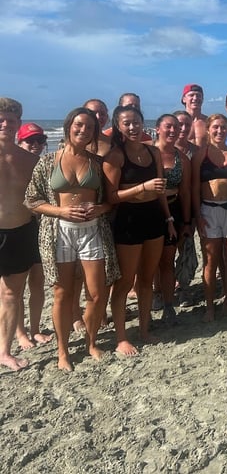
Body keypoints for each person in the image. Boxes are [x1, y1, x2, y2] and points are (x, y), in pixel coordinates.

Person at [25, 107, 120, 371]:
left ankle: (91, 343)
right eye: (79, 125)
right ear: (68, 126)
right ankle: (62, 351)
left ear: (94, 132)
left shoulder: (96, 163)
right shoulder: (47, 161)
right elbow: (32, 200)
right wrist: (61, 210)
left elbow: (109, 202)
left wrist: (101, 208)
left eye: (89, 127)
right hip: (60, 232)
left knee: (98, 293)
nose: (83, 130)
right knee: (62, 294)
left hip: (92, 231)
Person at [103, 105, 175, 356]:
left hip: (154, 217)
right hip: (128, 220)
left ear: (143, 122)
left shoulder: (153, 152)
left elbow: (160, 191)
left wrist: (168, 218)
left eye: (136, 122)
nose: (132, 127)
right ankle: (121, 338)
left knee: (147, 279)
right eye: (126, 123)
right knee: (124, 282)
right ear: (119, 126)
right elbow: (112, 197)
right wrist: (140, 187)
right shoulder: (115, 156)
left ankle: (144, 330)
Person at [0, 98, 40, 371]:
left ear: (18, 123)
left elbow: (40, 199)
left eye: (10, 120)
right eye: (0, 119)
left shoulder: (30, 159)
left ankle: (4, 351)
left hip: (19, 232)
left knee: (12, 294)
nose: (5, 124)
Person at [191, 114, 227, 322]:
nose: (220, 131)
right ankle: (210, 306)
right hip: (208, 210)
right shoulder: (201, 155)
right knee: (210, 261)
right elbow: (193, 188)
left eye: (223, 128)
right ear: (208, 130)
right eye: (216, 128)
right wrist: (197, 216)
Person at [15, 123, 51, 349]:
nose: (36, 145)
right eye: (30, 141)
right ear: (20, 142)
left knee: (38, 282)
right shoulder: (12, 163)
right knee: (15, 287)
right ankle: (20, 332)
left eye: (39, 141)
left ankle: (35, 328)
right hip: (17, 228)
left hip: (40, 228)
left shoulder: (45, 164)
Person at [154, 114, 192, 325]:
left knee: (167, 260)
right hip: (150, 210)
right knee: (149, 261)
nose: (172, 131)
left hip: (174, 208)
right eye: (168, 126)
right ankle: (155, 294)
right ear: (158, 128)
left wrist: (186, 221)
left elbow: (185, 191)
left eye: (176, 128)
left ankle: (168, 305)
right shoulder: (148, 152)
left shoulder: (182, 158)